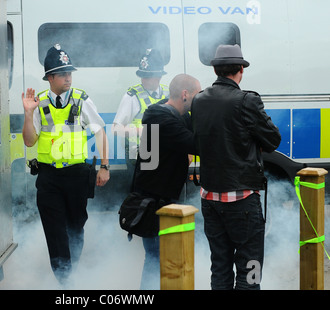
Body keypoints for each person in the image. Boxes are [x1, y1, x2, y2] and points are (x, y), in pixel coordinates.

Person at [191, 44, 281, 290]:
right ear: (241, 69)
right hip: (242, 200)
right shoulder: (247, 100)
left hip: (209, 198)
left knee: (219, 267)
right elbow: (273, 140)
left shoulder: (198, 100)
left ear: (216, 70)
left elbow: (197, 142)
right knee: (250, 268)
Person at [21, 44, 110, 286]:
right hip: (49, 178)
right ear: (50, 77)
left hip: (78, 176)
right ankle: (64, 280)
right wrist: (28, 115)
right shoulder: (38, 103)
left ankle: (71, 271)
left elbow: (100, 132)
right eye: (62, 73)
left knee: (76, 229)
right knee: (55, 231)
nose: (68, 77)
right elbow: (29, 140)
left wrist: (104, 166)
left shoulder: (82, 99)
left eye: (69, 73)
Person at [133, 73, 201, 289]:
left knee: (160, 257)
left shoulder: (167, 111)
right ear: (184, 95)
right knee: (156, 258)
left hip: (161, 197)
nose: (198, 101)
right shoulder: (163, 119)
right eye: (196, 96)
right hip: (153, 201)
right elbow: (196, 144)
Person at [112, 48, 169, 188]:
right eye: (142, 75)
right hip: (139, 157)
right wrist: (139, 131)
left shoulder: (169, 94)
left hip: (165, 157)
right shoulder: (132, 96)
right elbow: (116, 129)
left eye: (148, 76)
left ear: (159, 76)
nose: (144, 79)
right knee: (141, 199)